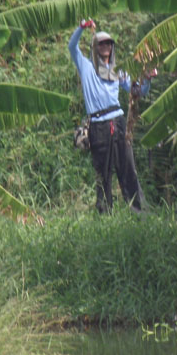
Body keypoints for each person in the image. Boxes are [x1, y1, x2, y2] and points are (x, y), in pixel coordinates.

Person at [68, 18, 152, 214]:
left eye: (108, 43)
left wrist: (147, 80)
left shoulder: (118, 71)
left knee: (128, 169)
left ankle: (140, 212)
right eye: (101, 43)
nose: (105, 46)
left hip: (118, 122)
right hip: (98, 126)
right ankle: (105, 215)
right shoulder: (86, 67)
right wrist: (81, 27)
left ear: (112, 48)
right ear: (95, 47)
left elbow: (137, 91)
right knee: (103, 174)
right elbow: (72, 46)